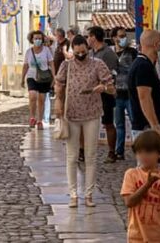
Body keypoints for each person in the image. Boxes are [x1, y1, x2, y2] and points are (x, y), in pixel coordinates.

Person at [54, 35, 116, 208]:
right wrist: (58, 102)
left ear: (88, 49)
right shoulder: (67, 65)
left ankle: (89, 194)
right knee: (72, 156)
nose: (81, 55)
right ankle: (73, 194)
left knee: (91, 155)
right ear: (72, 50)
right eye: (77, 52)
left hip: (92, 114)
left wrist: (102, 87)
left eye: (83, 52)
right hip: (71, 114)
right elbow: (58, 84)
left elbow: (111, 87)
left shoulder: (98, 64)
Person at [121, 130, 160, 243]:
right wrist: (148, 184)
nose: (143, 156)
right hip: (136, 236)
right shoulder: (131, 174)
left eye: (148, 152)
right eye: (139, 152)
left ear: (159, 153)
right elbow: (129, 202)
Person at [87, 26, 119, 164]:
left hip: (105, 92)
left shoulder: (108, 53)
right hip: (93, 93)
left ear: (94, 37)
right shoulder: (91, 53)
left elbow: (111, 74)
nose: (88, 39)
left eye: (89, 36)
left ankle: (112, 152)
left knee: (108, 123)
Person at [129, 29, 160, 137]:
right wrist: (155, 125)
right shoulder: (143, 66)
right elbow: (144, 97)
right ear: (156, 45)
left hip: (147, 128)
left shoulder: (145, 64)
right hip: (146, 128)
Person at [21, 30, 55, 130]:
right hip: (31, 77)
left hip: (44, 78)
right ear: (32, 39)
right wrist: (22, 78)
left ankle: (40, 120)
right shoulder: (28, 52)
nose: (38, 40)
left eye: (39, 38)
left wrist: (54, 77)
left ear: (42, 39)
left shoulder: (46, 50)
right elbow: (25, 65)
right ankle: (32, 117)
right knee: (32, 96)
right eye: (36, 38)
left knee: (41, 99)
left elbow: (51, 63)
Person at [113, 27, 138, 160]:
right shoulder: (111, 54)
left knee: (135, 122)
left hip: (129, 93)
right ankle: (119, 151)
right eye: (120, 36)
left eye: (124, 36)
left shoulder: (132, 52)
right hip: (117, 94)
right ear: (114, 38)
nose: (123, 38)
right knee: (119, 124)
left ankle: (137, 149)